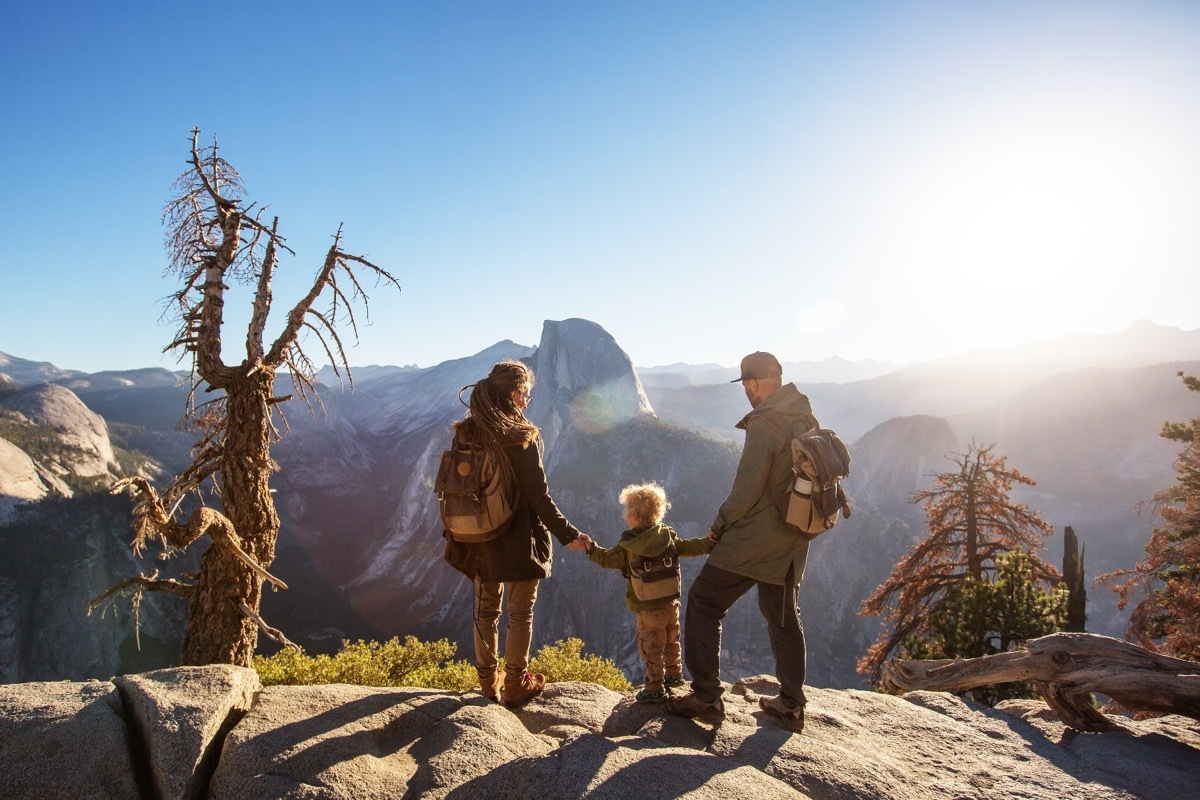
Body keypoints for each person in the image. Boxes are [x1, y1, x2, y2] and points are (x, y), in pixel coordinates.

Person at [667, 351, 817, 732]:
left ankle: (705, 695)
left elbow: (746, 488)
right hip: (794, 536)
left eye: (750, 382)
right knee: (783, 618)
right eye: (745, 383)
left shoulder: (767, 422)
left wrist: (721, 523)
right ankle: (791, 704)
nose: (747, 389)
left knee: (704, 601)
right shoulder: (804, 415)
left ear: (765, 379)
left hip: (756, 537)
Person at [442, 360, 593, 708]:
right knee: (520, 613)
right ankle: (515, 683)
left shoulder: (466, 430)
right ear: (513, 393)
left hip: (476, 537)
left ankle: (485, 683)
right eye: (526, 393)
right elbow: (538, 496)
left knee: (485, 611)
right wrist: (568, 534)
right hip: (518, 538)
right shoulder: (522, 435)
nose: (528, 400)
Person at [583, 482, 714, 703]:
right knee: (672, 639)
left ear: (634, 515)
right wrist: (709, 543)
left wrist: (589, 548)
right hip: (670, 601)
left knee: (651, 646)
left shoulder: (629, 546)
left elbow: (606, 559)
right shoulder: (668, 536)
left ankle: (654, 687)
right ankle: (674, 676)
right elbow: (689, 547)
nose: (625, 516)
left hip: (647, 607)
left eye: (626, 512)